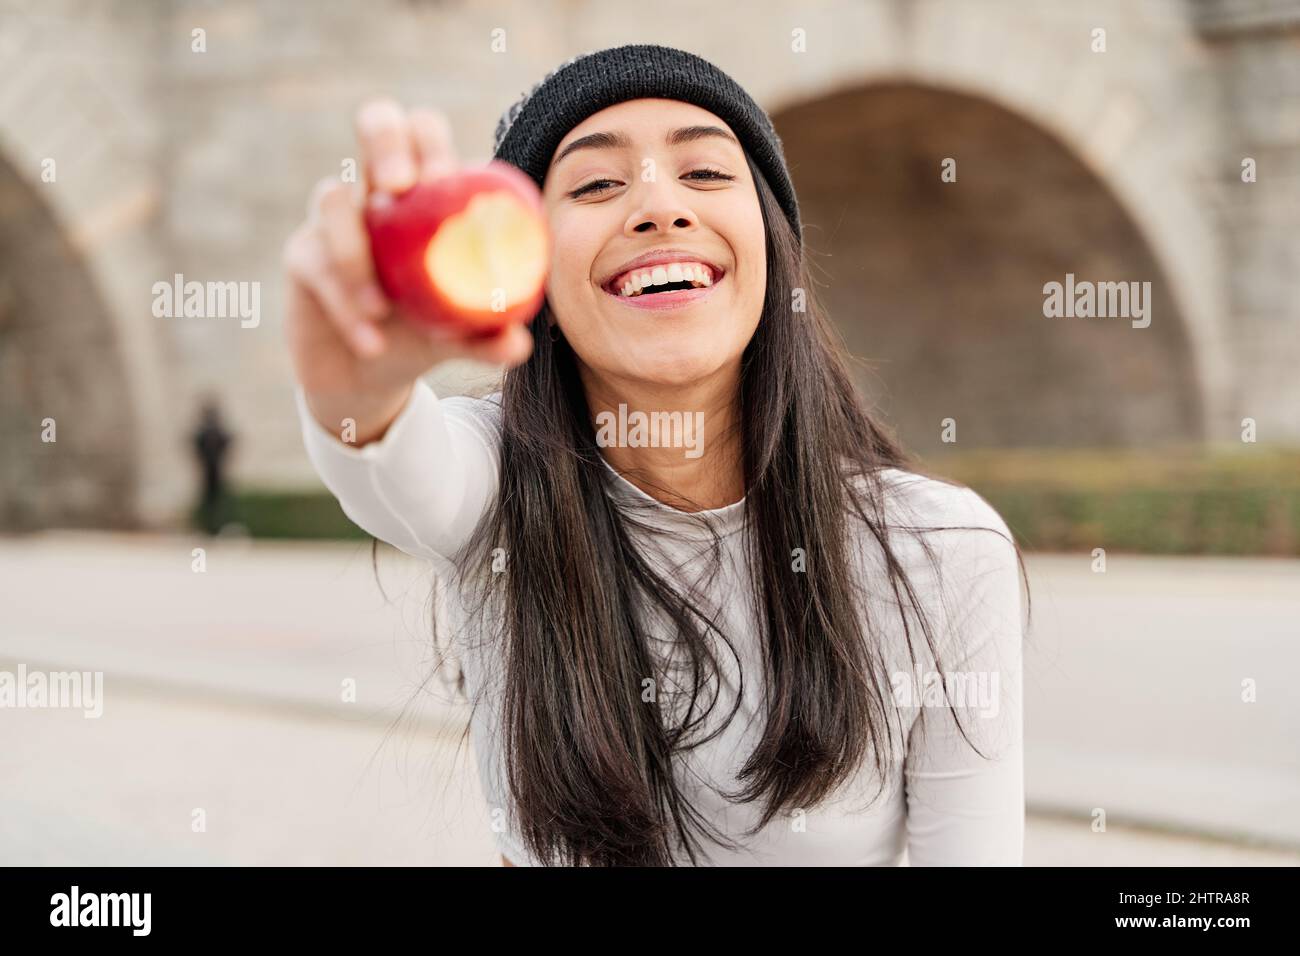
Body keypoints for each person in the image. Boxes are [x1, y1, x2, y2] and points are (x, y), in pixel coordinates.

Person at [283, 44, 1027, 866]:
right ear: (533, 280)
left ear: (775, 249)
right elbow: (390, 463)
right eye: (597, 184)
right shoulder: (497, 489)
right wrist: (356, 382)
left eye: (705, 173)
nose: (659, 206)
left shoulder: (942, 550)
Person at [192, 398, 233, 535]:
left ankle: (216, 527)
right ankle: (206, 527)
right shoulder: (203, 432)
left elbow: (226, 442)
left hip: (216, 469)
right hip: (207, 469)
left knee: (217, 500)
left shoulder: (217, 431)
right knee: (207, 499)